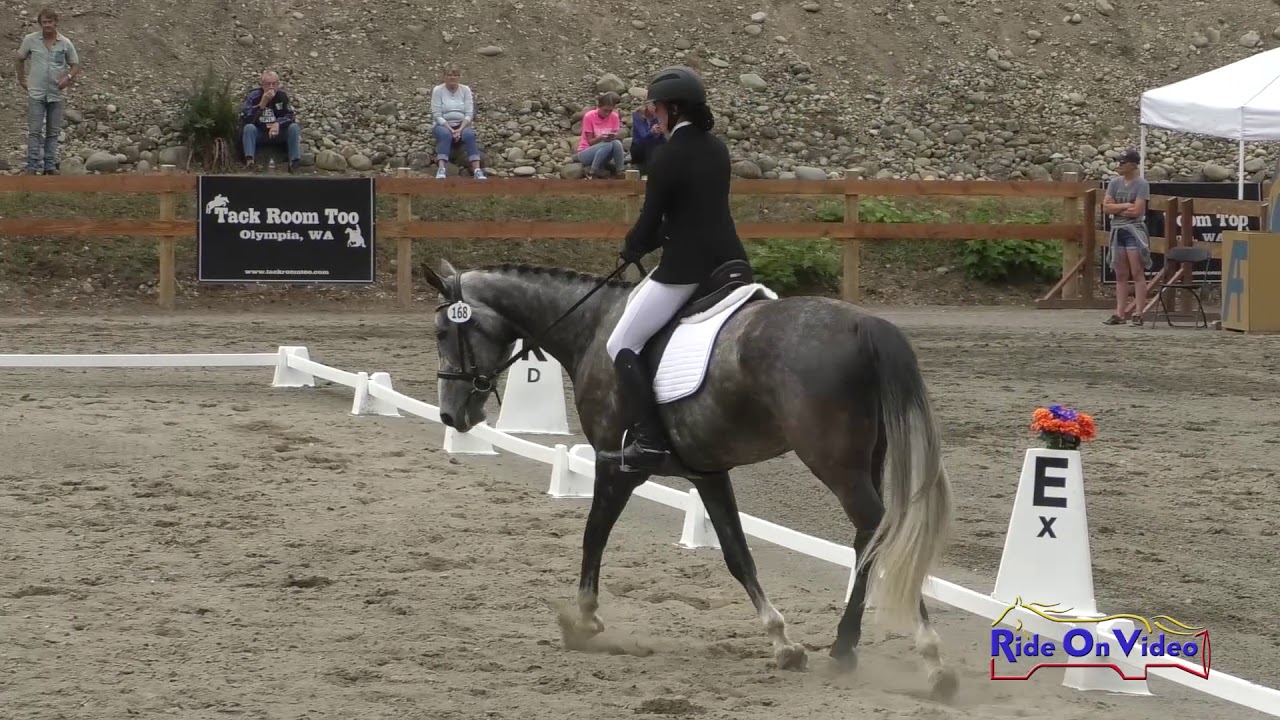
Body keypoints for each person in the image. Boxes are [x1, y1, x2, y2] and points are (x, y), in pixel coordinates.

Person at [595, 66, 750, 471]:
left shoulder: (667, 156)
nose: (653, 115)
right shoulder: (717, 149)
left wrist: (632, 247)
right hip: (732, 262)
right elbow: (698, 212)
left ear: (673, 109)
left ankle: (648, 439)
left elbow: (651, 221)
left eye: (657, 108)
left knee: (621, 343)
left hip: (687, 269)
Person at [16, 8, 80, 175]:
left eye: (50, 22)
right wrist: (22, 80)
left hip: (56, 94)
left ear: (55, 22)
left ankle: (49, 167)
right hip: (36, 93)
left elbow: (75, 65)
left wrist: (68, 77)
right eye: (44, 22)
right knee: (35, 131)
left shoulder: (65, 43)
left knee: (53, 132)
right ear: (40, 24)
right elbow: (20, 58)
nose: (47, 25)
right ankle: (32, 166)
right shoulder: (30, 40)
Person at [1101, 149, 1153, 327]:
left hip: (1133, 230)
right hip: (1117, 230)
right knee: (1120, 273)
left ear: (1132, 164)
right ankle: (1119, 312)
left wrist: (1117, 207)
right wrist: (1125, 205)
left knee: (1137, 271)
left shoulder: (1141, 184)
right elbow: (1106, 208)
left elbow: (1137, 211)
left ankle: (1139, 312)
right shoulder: (1114, 183)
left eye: (1123, 163)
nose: (1119, 165)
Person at [431, 63, 486, 179]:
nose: (452, 77)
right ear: (444, 76)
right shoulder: (438, 90)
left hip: (462, 124)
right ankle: (441, 169)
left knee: (469, 134)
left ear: (459, 77)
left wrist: (460, 129)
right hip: (443, 125)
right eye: (449, 75)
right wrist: (451, 129)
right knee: (445, 134)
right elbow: (437, 114)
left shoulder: (465, 90)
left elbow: (469, 113)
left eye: (455, 75)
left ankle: (477, 169)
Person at [241, 70, 302, 172]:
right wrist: (262, 104)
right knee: (249, 128)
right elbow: (248, 118)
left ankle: (294, 163)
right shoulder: (254, 96)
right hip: (260, 132)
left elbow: (290, 115)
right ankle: (250, 162)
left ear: (278, 84)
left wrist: (278, 123)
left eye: (274, 84)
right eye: (268, 84)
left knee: (294, 128)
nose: (271, 87)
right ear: (262, 85)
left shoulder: (282, 96)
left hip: (278, 132)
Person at [576, 92, 625, 178]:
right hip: (586, 152)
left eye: (610, 111)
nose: (607, 113)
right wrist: (601, 138)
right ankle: (593, 171)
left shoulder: (614, 117)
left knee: (617, 143)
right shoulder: (589, 116)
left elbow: (616, 136)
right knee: (608, 144)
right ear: (599, 107)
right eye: (605, 110)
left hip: (605, 153)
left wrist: (613, 136)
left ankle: (620, 171)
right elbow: (590, 142)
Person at [628, 102, 665, 175]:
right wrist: (652, 131)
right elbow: (643, 135)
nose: (656, 108)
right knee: (651, 144)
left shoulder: (658, 115)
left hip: (654, 146)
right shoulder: (637, 115)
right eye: (654, 105)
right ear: (647, 105)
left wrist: (662, 131)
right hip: (640, 147)